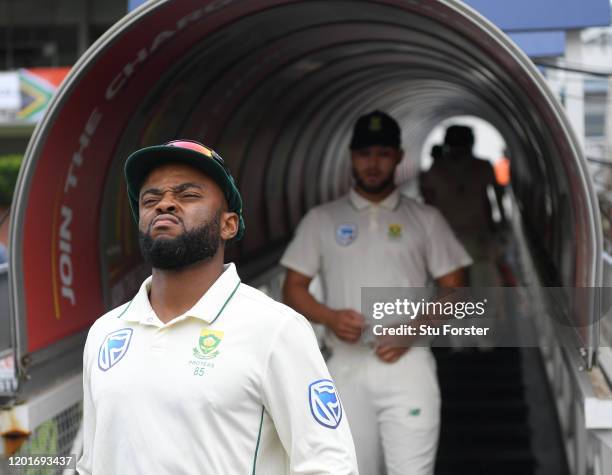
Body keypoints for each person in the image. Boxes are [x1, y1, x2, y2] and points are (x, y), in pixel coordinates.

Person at [77, 140, 358, 474]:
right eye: (150, 199)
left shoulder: (274, 329)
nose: (164, 204)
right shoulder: (105, 332)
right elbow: (91, 464)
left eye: (188, 195)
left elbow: (329, 463)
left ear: (229, 224)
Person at [281, 111, 472, 475]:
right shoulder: (322, 219)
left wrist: (412, 328)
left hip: (408, 365)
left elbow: (456, 289)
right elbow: (293, 288)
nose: (373, 163)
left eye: (383, 153)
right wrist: (330, 317)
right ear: (352, 157)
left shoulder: (425, 219)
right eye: (365, 153)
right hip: (344, 367)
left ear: (399, 157)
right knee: (350, 469)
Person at [420, 125, 506, 286]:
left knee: (451, 289)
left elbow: (428, 204)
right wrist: (498, 229)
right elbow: (494, 199)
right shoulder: (482, 166)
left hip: (449, 236)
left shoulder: (436, 169)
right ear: (471, 144)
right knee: (484, 289)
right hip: (476, 237)